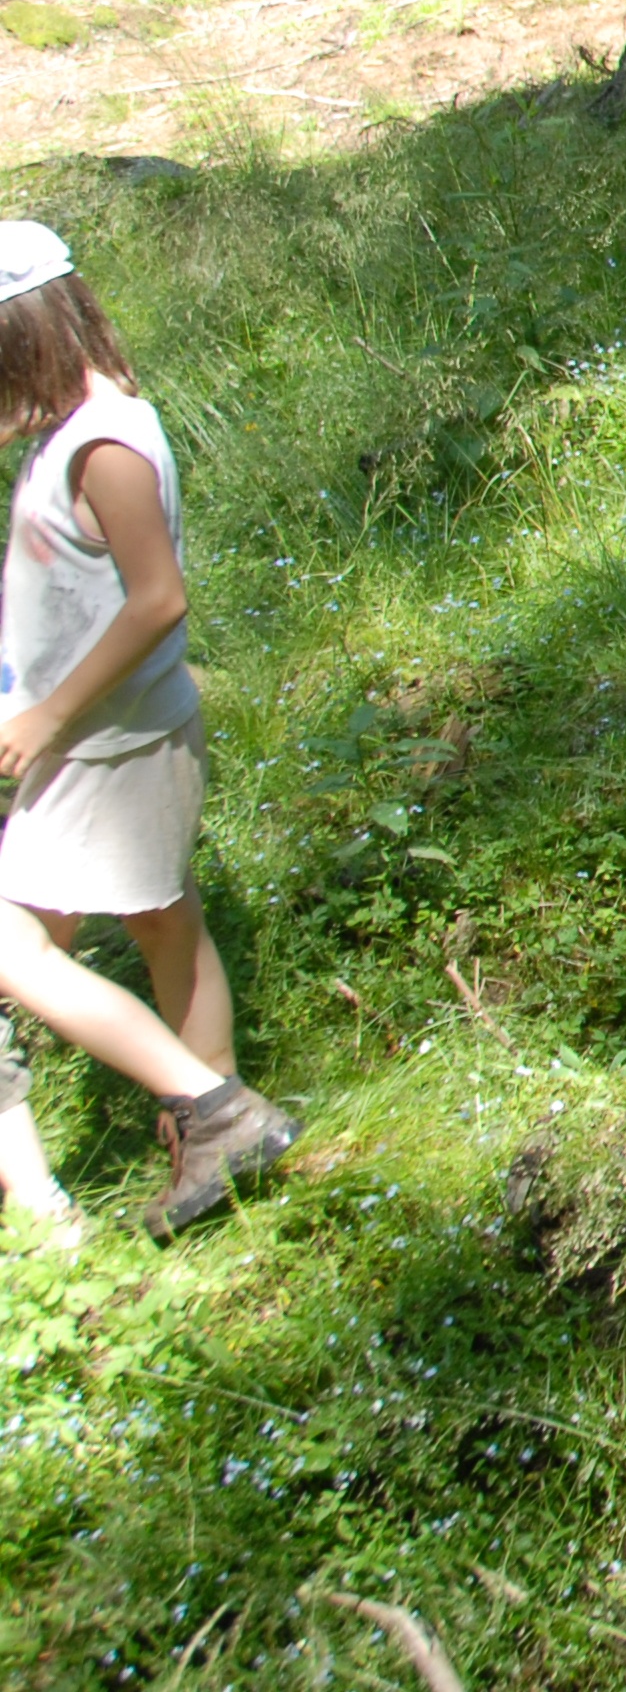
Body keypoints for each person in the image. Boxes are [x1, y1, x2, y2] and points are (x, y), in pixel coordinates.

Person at [0, 221, 298, 1239]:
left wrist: (47, 714)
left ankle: (215, 1109)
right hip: (108, 735)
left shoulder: (106, 445)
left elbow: (158, 600)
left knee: (14, 952)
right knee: (166, 924)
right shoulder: (76, 432)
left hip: (107, 742)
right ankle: (213, 1138)